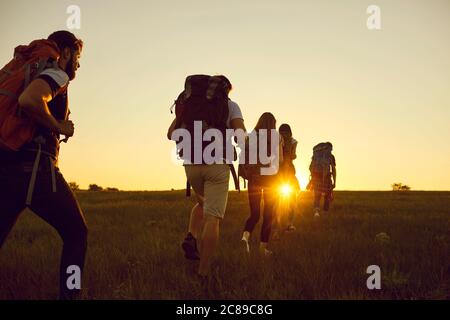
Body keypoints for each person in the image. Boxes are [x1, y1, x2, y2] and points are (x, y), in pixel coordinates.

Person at [0, 31, 86, 300]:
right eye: (78, 57)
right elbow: (29, 99)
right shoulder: (55, 72)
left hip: (4, 165)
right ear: (68, 52)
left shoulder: (23, 68)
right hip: (34, 168)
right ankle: (70, 296)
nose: (78, 65)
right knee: (77, 233)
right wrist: (59, 125)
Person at [167, 75, 246, 277]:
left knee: (203, 202)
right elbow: (240, 134)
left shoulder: (192, 104)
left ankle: (191, 235)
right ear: (226, 90)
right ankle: (203, 274)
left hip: (191, 165)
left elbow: (170, 134)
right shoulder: (231, 106)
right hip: (217, 165)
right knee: (213, 218)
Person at [241, 112, 283, 256]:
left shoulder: (251, 137)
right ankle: (262, 248)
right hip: (271, 180)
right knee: (268, 215)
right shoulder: (276, 137)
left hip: (254, 180)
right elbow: (281, 160)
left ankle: (245, 237)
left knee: (255, 214)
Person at [277, 123, 300, 232]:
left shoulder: (276, 140)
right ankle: (290, 224)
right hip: (289, 172)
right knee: (292, 200)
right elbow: (293, 156)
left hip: (277, 172)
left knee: (276, 200)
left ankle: (277, 223)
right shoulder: (293, 141)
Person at [308, 142, 336, 217]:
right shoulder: (331, 156)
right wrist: (334, 181)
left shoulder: (316, 155)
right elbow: (333, 169)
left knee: (317, 196)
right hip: (327, 178)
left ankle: (316, 212)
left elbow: (310, 167)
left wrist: (312, 178)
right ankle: (325, 213)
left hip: (316, 177)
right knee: (327, 196)